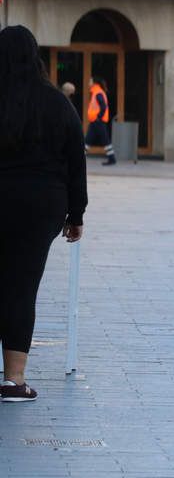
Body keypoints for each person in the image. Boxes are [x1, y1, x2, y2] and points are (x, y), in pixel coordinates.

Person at [0, 26, 87, 402]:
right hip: (42, 206)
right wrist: (76, 213)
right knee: (22, 285)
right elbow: (76, 159)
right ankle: (14, 380)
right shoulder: (56, 103)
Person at [85, 76, 114, 165]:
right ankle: (79, 158)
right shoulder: (96, 92)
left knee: (104, 140)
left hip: (98, 121)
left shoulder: (98, 93)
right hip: (96, 121)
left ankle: (112, 159)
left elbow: (103, 106)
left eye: (90, 81)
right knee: (88, 140)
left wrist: (98, 117)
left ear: (94, 83)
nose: (88, 83)